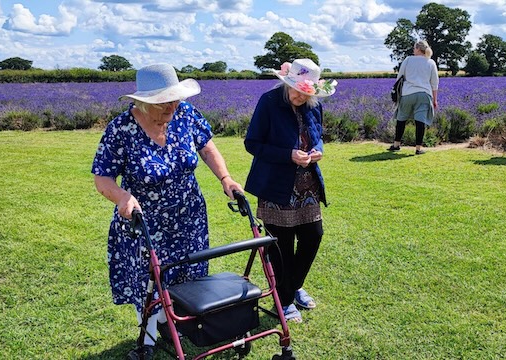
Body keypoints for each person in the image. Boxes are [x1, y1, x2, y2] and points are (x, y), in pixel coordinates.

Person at [91, 63, 243, 359]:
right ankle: (147, 338)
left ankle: (182, 322)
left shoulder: (185, 114)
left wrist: (225, 178)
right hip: (145, 221)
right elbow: (102, 178)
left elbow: (207, 148)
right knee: (151, 280)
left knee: (189, 272)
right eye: (163, 102)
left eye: (175, 99)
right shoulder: (121, 129)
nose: (172, 106)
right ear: (143, 103)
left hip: (188, 217)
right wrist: (121, 196)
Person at [243, 58, 337, 323]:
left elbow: (318, 136)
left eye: (306, 92)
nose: (299, 95)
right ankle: (283, 300)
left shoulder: (313, 106)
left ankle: (291, 287)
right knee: (281, 247)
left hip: (307, 187)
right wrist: (288, 155)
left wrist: (318, 150)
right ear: (285, 82)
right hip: (276, 187)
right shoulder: (269, 102)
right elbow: (252, 143)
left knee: (312, 237)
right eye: (295, 88)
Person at [387, 40, 439, 155]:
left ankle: (396, 144)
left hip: (407, 93)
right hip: (424, 94)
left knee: (401, 119)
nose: (413, 50)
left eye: (414, 48)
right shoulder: (430, 62)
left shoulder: (408, 60)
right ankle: (418, 148)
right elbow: (434, 84)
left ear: (418, 49)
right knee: (420, 121)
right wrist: (435, 100)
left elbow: (399, 77)